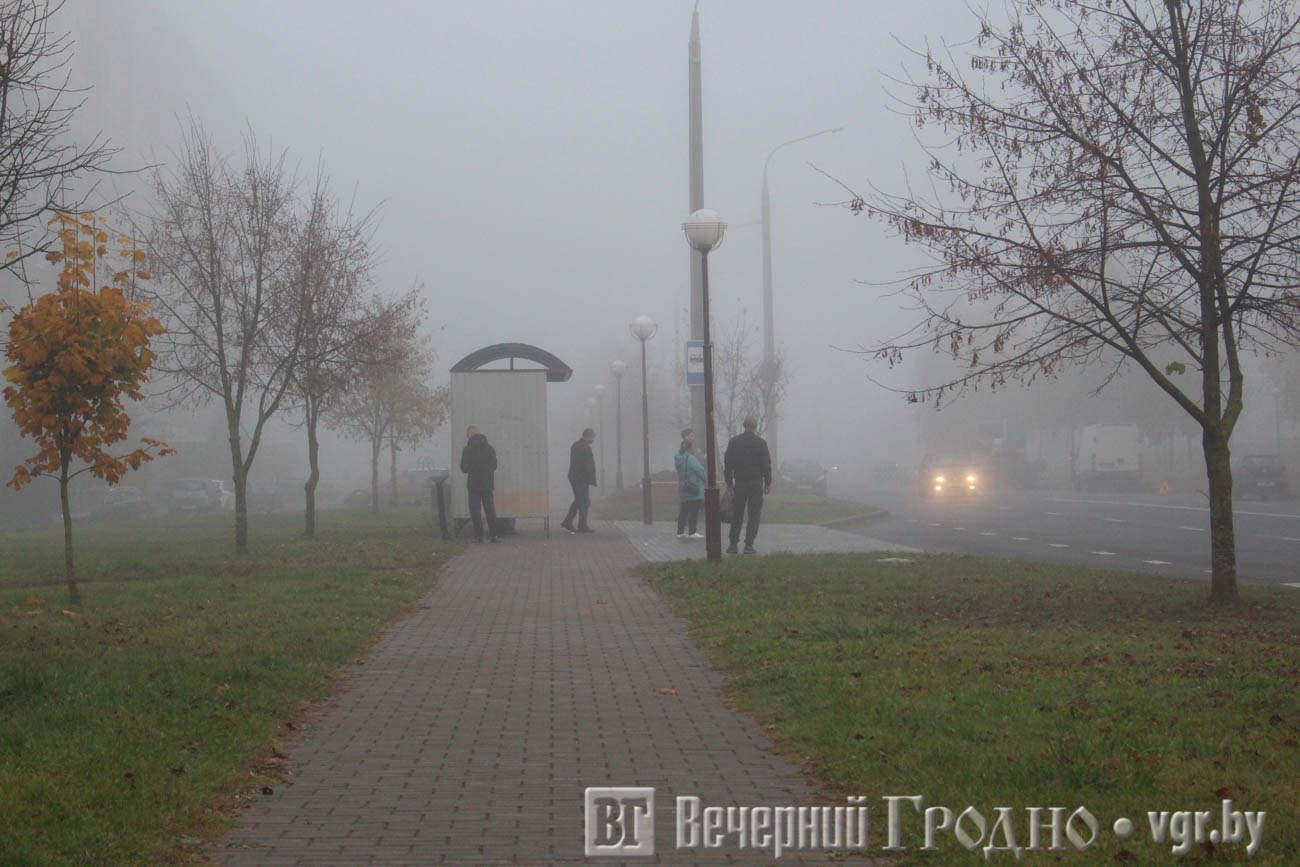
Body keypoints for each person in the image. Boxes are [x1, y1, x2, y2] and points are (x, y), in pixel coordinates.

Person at [723, 416, 772, 554]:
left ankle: (733, 545)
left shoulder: (734, 442)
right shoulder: (761, 443)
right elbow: (766, 465)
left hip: (740, 483)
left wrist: (729, 481)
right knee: (754, 515)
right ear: (755, 427)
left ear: (744, 426)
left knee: (737, 514)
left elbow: (728, 463)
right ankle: (749, 545)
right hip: (756, 483)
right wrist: (768, 483)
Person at [459, 425, 499, 543]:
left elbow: (463, 468)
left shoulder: (467, 450)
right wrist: (486, 470)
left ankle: (479, 536)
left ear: (468, 436)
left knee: (475, 511)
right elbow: (495, 466)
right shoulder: (490, 448)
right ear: (479, 434)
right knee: (490, 510)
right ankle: (494, 536)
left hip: (473, 485)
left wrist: (473, 466)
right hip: (487, 484)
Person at [561, 428, 597, 534]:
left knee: (579, 500)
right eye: (593, 437)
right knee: (584, 501)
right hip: (580, 478)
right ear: (588, 436)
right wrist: (590, 478)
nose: (593, 440)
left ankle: (568, 521)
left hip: (576, 477)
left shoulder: (577, 445)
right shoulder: (583, 447)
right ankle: (582, 525)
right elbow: (586, 464)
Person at [674, 428, 706, 538]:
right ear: (689, 448)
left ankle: (680, 532)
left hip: (683, 488)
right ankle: (692, 532)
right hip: (693, 488)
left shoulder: (678, 458)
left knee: (683, 511)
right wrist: (706, 479)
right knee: (694, 512)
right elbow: (700, 471)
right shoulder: (691, 458)